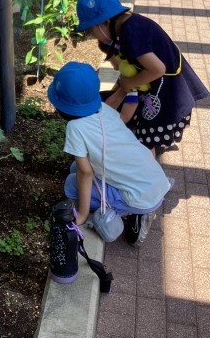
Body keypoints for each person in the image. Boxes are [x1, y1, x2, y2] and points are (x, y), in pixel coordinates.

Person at [76, 0, 209, 157]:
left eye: (92, 29)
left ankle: (150, 170)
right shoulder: (127, 26)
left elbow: (157, 69)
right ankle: (157, 148)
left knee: (146, 139)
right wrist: (120, 90)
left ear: (105, 22)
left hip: (168, 94)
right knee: (142, 129)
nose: (93, 35)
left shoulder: (131, 34)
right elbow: (129, 72)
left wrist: (128, 84)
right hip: (159, 87)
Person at [47, 61, 171, 246]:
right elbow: (113, 108)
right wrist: (122, 90)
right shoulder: (102, 110)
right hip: (154, 180)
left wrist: (81, 214)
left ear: (60, 105)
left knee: (72, 183)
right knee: (74, 167)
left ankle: (126, 213)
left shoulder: (75, 127)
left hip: (139, 197)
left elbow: (85, 173)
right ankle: (131, 207)